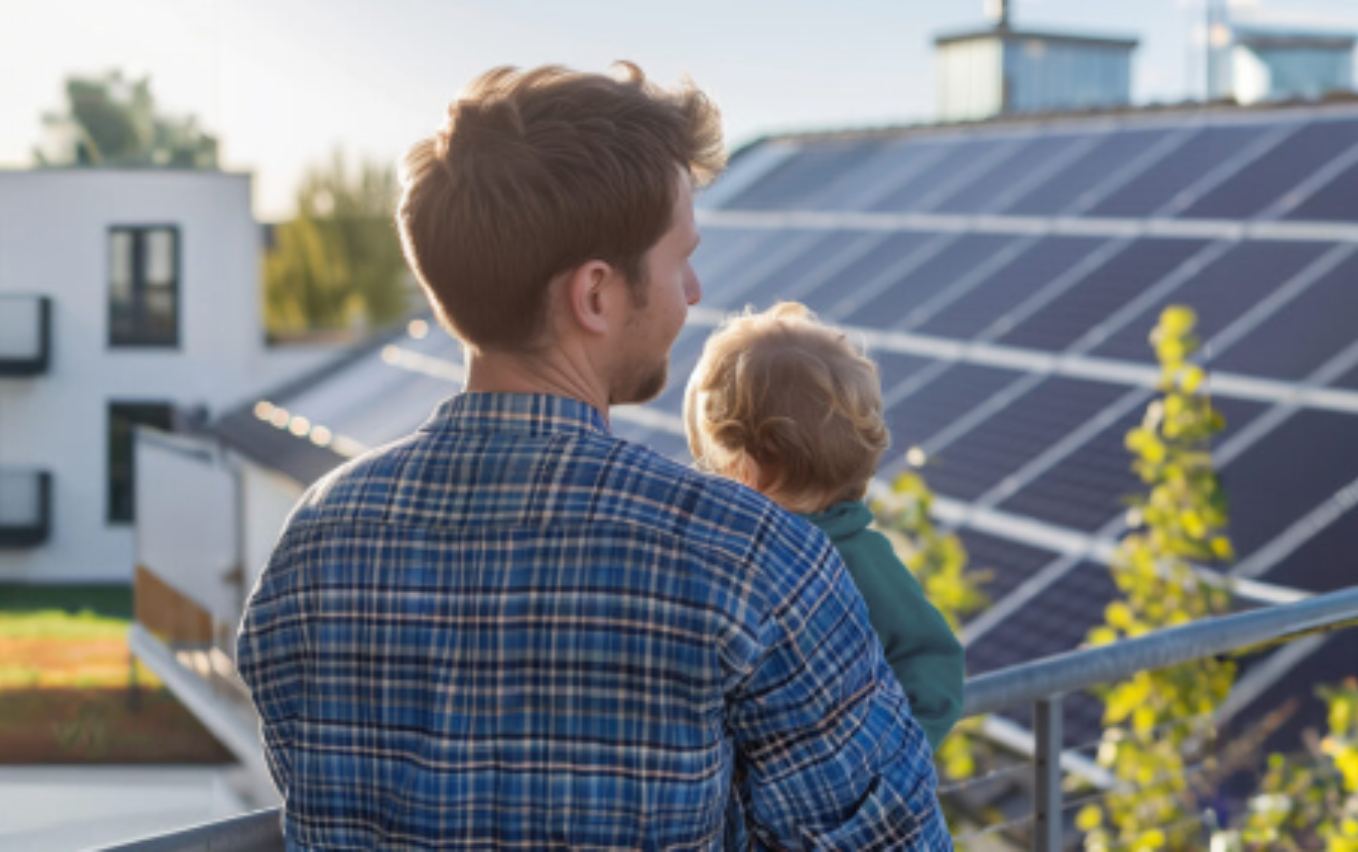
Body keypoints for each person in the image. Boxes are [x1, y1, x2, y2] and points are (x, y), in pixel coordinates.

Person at [234, 63, 951, 850]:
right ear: (597, 294)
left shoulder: (314, 543)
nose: (695, 291)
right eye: (680, 259)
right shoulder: (749, 559)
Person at [681, 302, 965, 749]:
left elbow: (931, 665)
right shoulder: (854, 556)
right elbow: (933, 670)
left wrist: (884, 759)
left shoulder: (852, 559)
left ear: (745, 469)